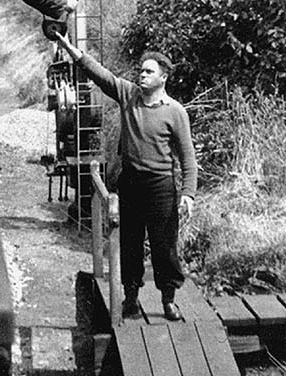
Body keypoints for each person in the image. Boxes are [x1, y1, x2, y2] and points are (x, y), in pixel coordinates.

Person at [53, 31, 196, 322]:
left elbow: (188, 158)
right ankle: (130, 296)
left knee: (164, 246)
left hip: (161, 188)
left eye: (148, 72)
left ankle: (168, 300)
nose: (142, 76)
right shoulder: (128, 94)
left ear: (163, 77)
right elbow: (99, 74)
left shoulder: (175, 112)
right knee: (130, 243)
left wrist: (189, 194)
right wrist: (69, 48)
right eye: (140, 71)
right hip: (131, 183)